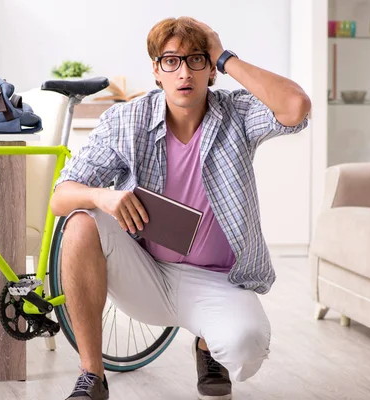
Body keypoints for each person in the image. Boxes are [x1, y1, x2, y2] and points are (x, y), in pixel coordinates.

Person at [50, 16, 311, 400]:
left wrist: (225, 55)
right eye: (171, 61)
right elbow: (60, 197)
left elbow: (296, 107)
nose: (184, 72)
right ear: (157, 70)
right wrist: (102, 196)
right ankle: (92, 375)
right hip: (145, 271)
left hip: (216, 281)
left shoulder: (236, 115)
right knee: (81, 221)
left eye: (196, 60)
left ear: (211, 69)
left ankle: (208, 346)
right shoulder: (127, 119)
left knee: (247, 347)